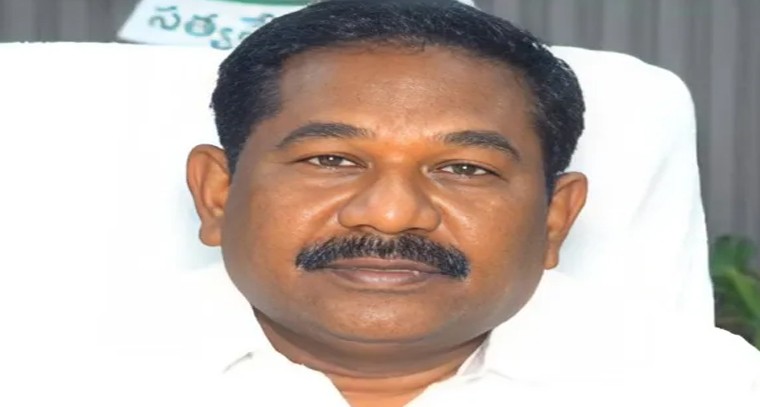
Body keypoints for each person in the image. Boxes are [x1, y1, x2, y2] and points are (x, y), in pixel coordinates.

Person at [185, 1, 760, 406]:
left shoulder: (704, 387)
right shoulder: (126, 368)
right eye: (331, 160)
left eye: (464, 169)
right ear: (218, 195)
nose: (391, 214)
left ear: (555, 219)